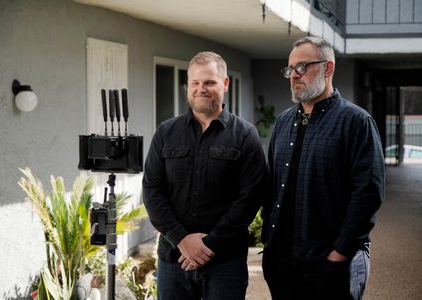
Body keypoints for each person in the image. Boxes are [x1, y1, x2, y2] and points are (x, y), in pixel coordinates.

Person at [261, 36, 385, 300]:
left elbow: (368, 194)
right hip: (283, 264)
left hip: (332, 263)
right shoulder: (283, 123)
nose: (293, 75)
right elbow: (273, 187)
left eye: (302, 67)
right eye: (290, 69)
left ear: (328, 68)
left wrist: (338, 255)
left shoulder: (356, 122)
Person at [142, 51, 266, 300]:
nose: (201, 89)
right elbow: (153, 190)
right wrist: (182, 240)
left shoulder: (244, 135)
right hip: (173, 260)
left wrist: (209, 245)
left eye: (209, 82)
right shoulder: (166, 132)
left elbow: (251, 197)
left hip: (225, 263)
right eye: (195, 83)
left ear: (225, 83)